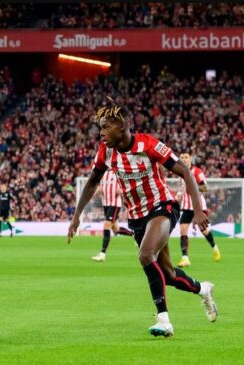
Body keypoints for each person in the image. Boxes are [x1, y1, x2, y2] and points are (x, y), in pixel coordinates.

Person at [68, 100, 218, 337]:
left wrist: (198, 210)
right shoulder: (106, 151)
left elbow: (184, 170)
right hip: (137, 218)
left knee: (146, 255)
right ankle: (203, 289)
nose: (102, 132)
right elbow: (93, 180)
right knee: (168, 275)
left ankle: (164, 320)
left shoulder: (148, 144)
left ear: (123, 125)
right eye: (100, 128)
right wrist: (76, 216)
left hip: (163, 207)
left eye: (106, 127)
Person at [176, 153, 221, 267]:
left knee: (204, 230)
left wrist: (193, 189)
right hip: (186, 207)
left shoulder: (197, 172)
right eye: (182, 158)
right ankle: (185, 257)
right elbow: (181, 189)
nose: (184, 159)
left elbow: (204, 188)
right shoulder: (180, 173)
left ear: (190, 159)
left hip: (198, 206)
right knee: (183, 230)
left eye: (186, 157)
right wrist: (179, 195)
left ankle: (214, 247)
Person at [91, 170, 134, 262]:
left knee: (106, 226)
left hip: (114, 204)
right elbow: (102, 187)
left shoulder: (118, 172)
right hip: (106, 203)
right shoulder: (104, 173)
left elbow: (126, 187)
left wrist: (121, 192)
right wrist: (97, 192)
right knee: (116, 230)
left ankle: (102, 254)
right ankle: (135, 235)